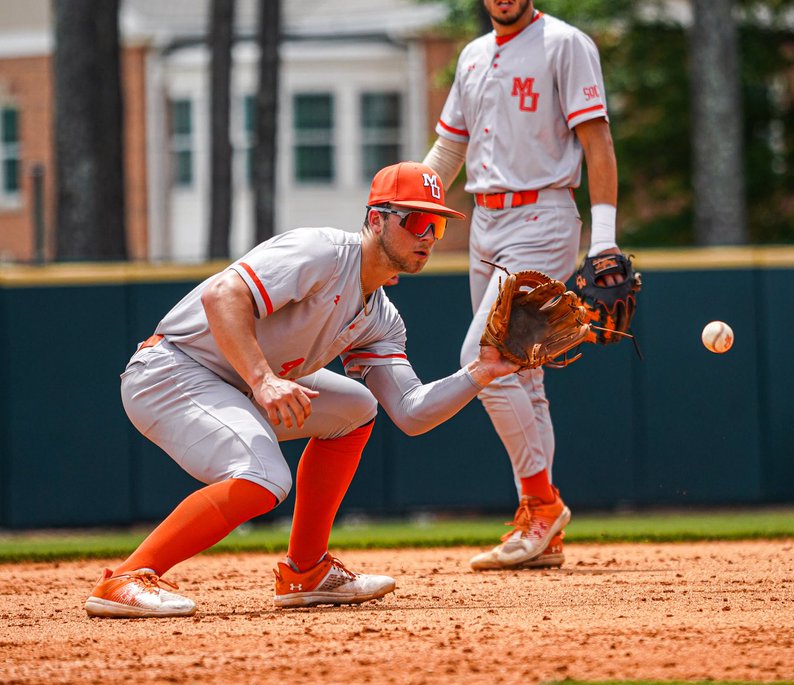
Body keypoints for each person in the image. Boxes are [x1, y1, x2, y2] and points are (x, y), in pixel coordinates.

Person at [85, 161, 521, 618]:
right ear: (376, 219)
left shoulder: (381, 319)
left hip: (240, 382)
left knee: (356, 407)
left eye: (436, 223)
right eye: (414, 220)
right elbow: (222, 296)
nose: (428, 235)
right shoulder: (323, 252)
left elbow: (411, 413)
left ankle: (305, 571)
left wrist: (482, 371)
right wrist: (263, 378)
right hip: (172, 369)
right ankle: (129, 576)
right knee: (264, 477)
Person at [422, 0, 622, 571]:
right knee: (522, 375)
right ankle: (542, 530)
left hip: (543, 215)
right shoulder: (474, 56)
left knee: (483, 357)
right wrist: (417, 208)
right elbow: (449, 152)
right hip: (484, 222)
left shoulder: (565, 44)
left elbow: (597, 146)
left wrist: (606, 240)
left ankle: (541, 504)